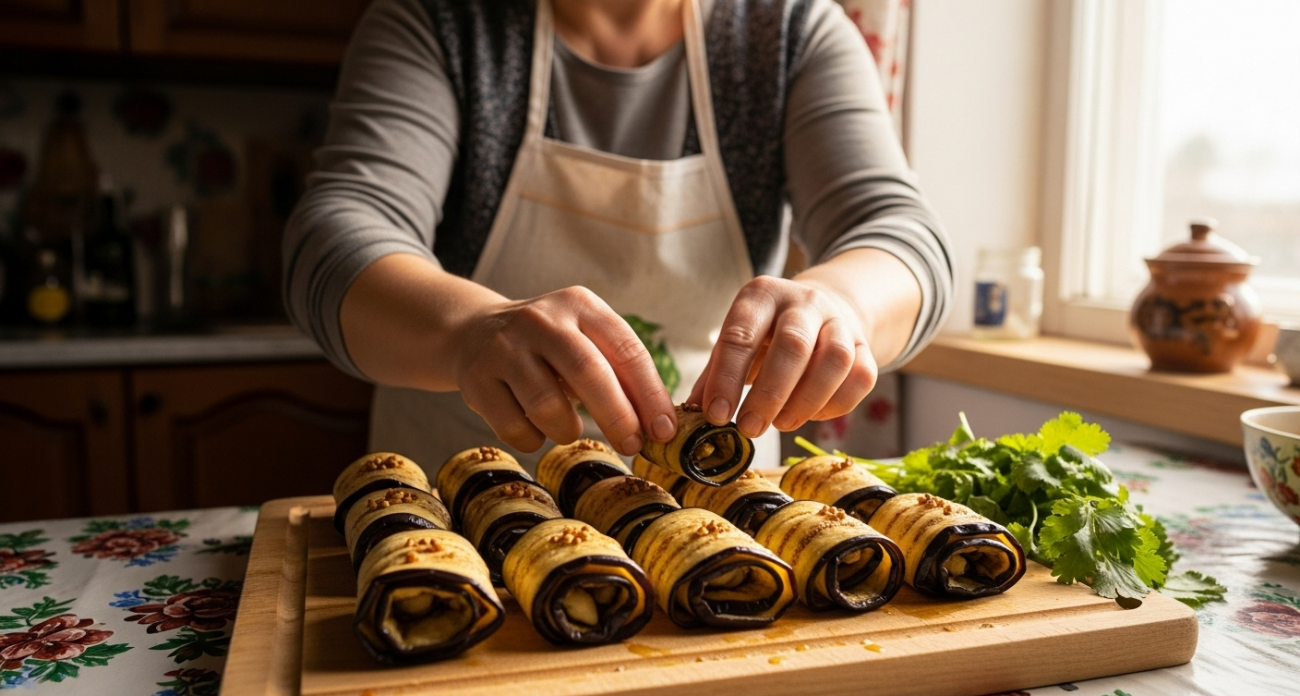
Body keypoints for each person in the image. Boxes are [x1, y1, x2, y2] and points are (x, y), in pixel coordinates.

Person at [284, 0, 952, 475]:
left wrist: (842, 305)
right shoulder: (437, 21)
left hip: (719, 516)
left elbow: (898, 234)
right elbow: (334, 239)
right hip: (455, 511)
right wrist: (469, 332)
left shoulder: (791, 33)